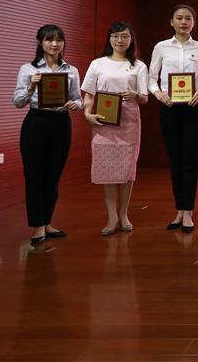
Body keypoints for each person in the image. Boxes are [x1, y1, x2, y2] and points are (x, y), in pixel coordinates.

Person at [148, 4, 198, 234]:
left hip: (193, 108)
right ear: (171, 21)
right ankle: (179, 209)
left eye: (188, 18)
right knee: (175, 159)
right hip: (168, 107)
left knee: (190, 160)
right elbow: (151, 78)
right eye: (179, 18)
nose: (184, 22)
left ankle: (188, 211)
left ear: (193, 22)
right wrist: (158, 94)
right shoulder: (161, 47)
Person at [13, 25, 83, 244]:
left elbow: (78, 99)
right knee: (34, 175)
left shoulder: (71, 70)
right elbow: (17, 102)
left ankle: (47, 222)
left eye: (59, 40)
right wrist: (31, 87)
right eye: (49, 40)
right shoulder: (27, 69)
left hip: (61, 123)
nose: (55, 44)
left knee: (53, 176)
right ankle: (37, 226)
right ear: (40, 42)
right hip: (36, 122)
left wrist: (76, 104)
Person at [81, 21, 149, 235]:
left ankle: (124, 214)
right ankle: (111, 217)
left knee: (127, 169)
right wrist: (87, 113)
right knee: (107, 169)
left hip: (129, 121)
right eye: (116, 36)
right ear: (110, 39)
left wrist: (135, 94)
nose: (120, 40)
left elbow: (145, 97)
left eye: (125, 36)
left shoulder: (138, 66)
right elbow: (88, 94)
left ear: (131, 39)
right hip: (104, 121)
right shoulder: (97, 64)